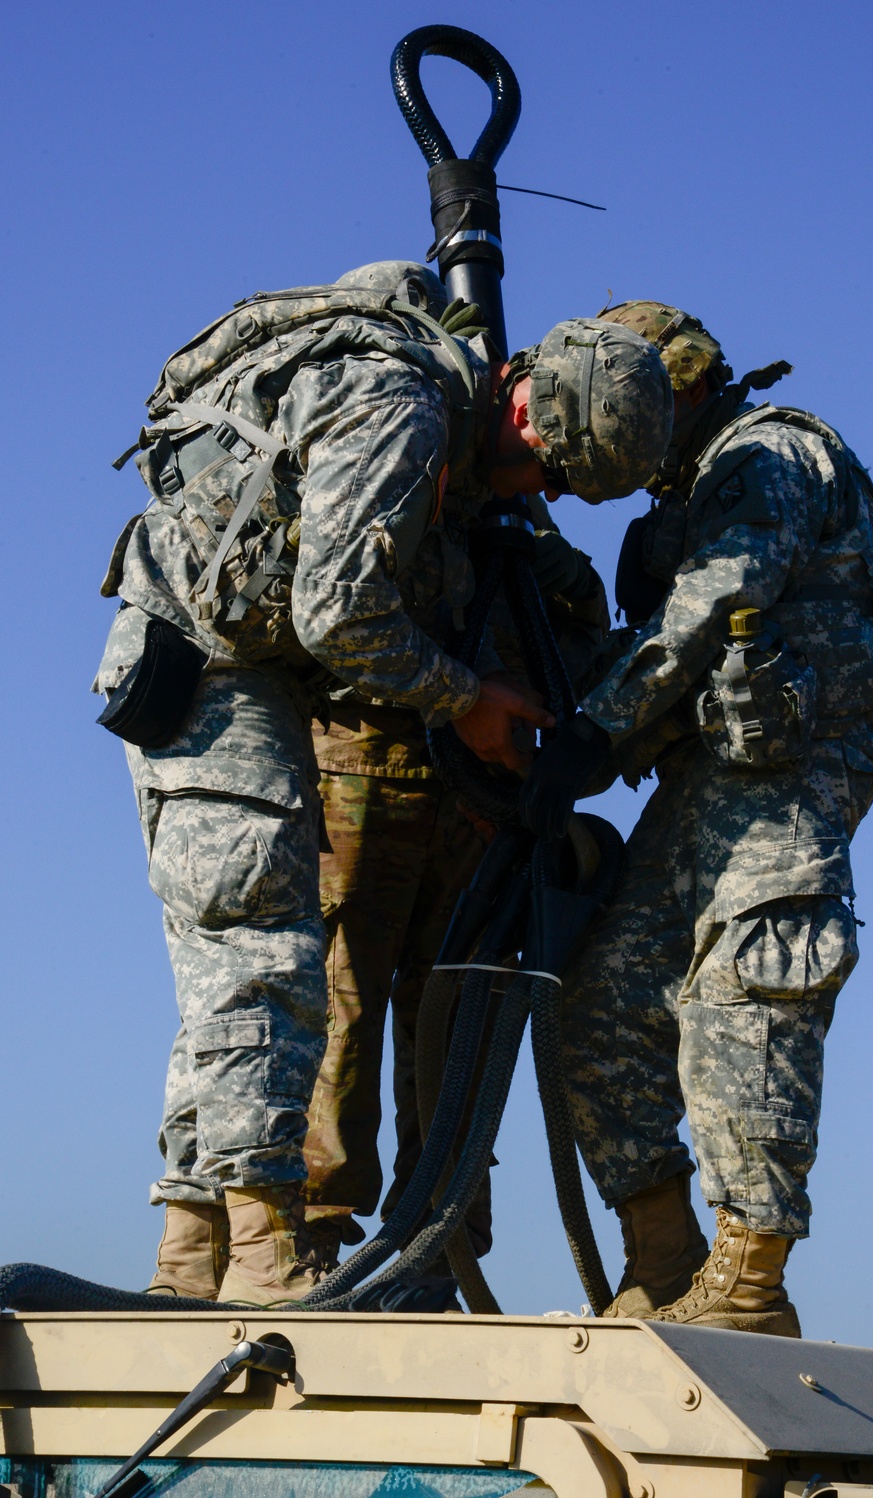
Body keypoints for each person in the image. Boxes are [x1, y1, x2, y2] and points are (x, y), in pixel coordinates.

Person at [94, 271, 672, 1306]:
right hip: (207, 668)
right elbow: (337, 613)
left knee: (236, 959)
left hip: (250, 667)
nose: (533, 499)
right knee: (263, 948)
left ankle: (190, 1258)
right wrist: (466, 698)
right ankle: (267, 1257)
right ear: (528, 408)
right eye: (546, 474)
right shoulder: (400, 407)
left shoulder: (450, 431)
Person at [521, 300, 873, 1336]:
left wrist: (597, 728)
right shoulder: (693, 483)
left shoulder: (767, 453)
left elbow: (717, 592)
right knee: (600, 992)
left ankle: (747, 1284)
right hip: (707, 769)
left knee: (746, 987)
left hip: (792, 765)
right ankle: (664, 1261)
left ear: (682, 385)